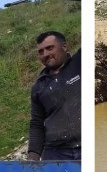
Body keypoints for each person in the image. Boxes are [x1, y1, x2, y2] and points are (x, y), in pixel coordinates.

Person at [27, 31, 81, 161]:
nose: (45, 54)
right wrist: (33, 157)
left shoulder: (80, 64)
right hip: (56, 152)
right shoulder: (39, 87)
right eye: (41, 51)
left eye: (50, 48)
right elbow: (37, 123)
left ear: (64, 47)